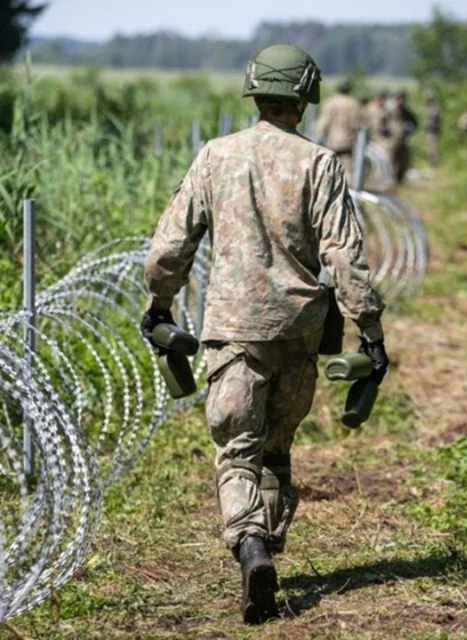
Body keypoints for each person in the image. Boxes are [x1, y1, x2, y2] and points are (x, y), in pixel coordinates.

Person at [139, 44, 389, 625]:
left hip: (231, 330)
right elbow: (345, 259)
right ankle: (266, 552)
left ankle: (250, 548)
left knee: (237, 452)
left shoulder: (214, 157)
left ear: (254, 90)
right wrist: (370, 332)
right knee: (276, 452)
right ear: (306, 97)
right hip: (299, 333)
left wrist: (159, 304)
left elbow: (170, 249)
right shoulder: (321, 163)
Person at [314, 79, 363, 181]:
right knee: (347, 173)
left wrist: (318, 138)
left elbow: (322, 124)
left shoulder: (329, 103)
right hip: (347, 142)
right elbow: (357, 125)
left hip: (330, 142)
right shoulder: (353, 104)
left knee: (328, 171)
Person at [383, 89, 418, 186]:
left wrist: (410, 131)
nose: (400, 100)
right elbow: (382, 122)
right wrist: (385, 132)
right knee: (391, 161)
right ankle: (390, 181)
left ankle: (400, 181)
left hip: (403, 140)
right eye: (398, 98)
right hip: (392, 140)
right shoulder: (389, 110)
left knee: (404, 161)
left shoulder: (405, 111)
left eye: (402, 98)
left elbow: (415, 121)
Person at [423, 89, 442, 166]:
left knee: (431, 148)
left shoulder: (434, 108)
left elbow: (437, 119)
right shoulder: (430, 107)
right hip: (430, 130)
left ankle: (434, 164)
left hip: (433, 131)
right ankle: (432, 163)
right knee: (427, 147)